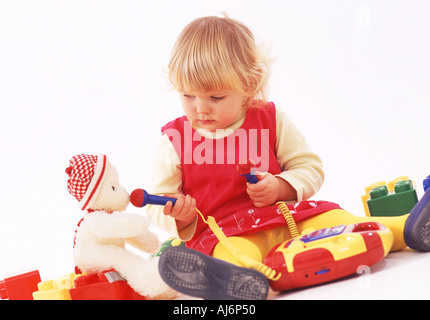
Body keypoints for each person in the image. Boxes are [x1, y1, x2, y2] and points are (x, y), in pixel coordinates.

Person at [146, 15, 430, 300]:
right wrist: (179, 217)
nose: (200, 109)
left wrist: (281, 187)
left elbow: (309, 167)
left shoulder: (270, 118)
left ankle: (407, 228)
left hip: (289, 217)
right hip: (228, 233)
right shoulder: (174, 141)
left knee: (339, 218)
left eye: (215, 98)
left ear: (249, 84)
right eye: (188, 96)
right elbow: (157, 202)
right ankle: (246, 281)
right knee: (232, 255)